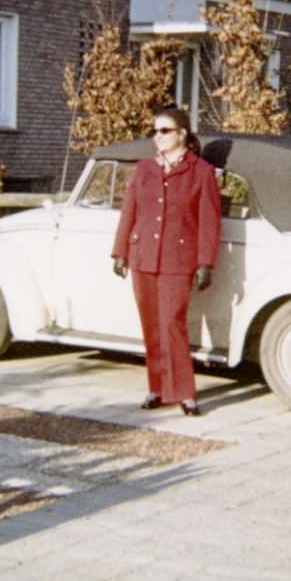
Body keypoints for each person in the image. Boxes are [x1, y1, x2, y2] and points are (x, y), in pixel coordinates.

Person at [111, 107, 221, 416]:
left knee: (172, 322)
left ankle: (184, 392)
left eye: (164, 130)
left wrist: (205, 263)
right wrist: (120, 251)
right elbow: (129, 212)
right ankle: (156, 389)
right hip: (143, 255)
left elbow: (209, 222)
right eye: (154, 131)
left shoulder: (201, 171)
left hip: (178, 258)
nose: (156, 137)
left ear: (182, 134)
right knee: (151, 325)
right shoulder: (144, 169)